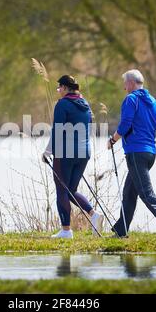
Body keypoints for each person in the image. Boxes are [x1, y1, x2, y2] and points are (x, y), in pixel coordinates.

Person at [107, 69, 156, 238]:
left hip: (136, 153)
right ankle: (120, 232)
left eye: (125, 83)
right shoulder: (155, 103)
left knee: (146, 193)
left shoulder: (131, 99)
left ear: (132, 83)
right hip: (150, 155)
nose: (124, 87)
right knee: (129, 193)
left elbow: (125, 124)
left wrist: (113, 140)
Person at [43, 75, 103, 239]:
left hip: (66, 153)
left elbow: (57, 130)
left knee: (62, 190)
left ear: (64, 88)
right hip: (84, 152)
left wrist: (47, 152)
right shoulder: (85, 104)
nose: (58, 91)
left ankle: (66, 230)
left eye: (59, 88)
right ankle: (94, 214)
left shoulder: (62, 104)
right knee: (71, 190)